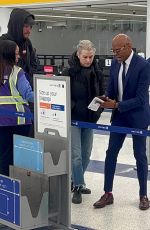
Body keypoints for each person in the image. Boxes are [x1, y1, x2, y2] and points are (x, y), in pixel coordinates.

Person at [93, 34, 150, 210]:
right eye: (113, 51)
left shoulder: (143, 65)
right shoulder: (116, 64)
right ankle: (107, 193)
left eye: (117, 51)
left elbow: (141, 99)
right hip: (119, 116)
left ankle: (143, 195)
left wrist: (117, 105)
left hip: (137, 117)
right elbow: (112, 88)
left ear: (128, 46)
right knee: (111, 153)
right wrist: (105, 98)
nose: (115, 54)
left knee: (140, 156)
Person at [62, 40, 104, 204]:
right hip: (74, 120)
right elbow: (62, 93)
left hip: (90, 120)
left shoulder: (97, 71)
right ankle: (78, 186)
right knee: (77, 156)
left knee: (86, 155)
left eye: (91, 57)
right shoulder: (69, 71)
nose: (88, 60)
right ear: (78, 55)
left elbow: (102, 93)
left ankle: (75, 181)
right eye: (85, 57)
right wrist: (72, 108)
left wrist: (98, 110)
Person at [0, 8, 38, 137]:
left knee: (26, 148)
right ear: (17, 26)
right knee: (6, 153)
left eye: (30, 27)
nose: (29, 30)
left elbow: (34, 66)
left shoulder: (28, 44)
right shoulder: (3, 43)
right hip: (6, 116)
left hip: (26, 107)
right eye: (26, 26)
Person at [0, 39, 34, 176]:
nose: (19, 56)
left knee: (3, 159)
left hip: (1, 123)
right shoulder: (16, 72)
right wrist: (46, 96)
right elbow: (28, 94)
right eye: (16, 53)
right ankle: (20, 190)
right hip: (20, 122)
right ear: (9, 54)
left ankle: (4, 190)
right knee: (22, 160)